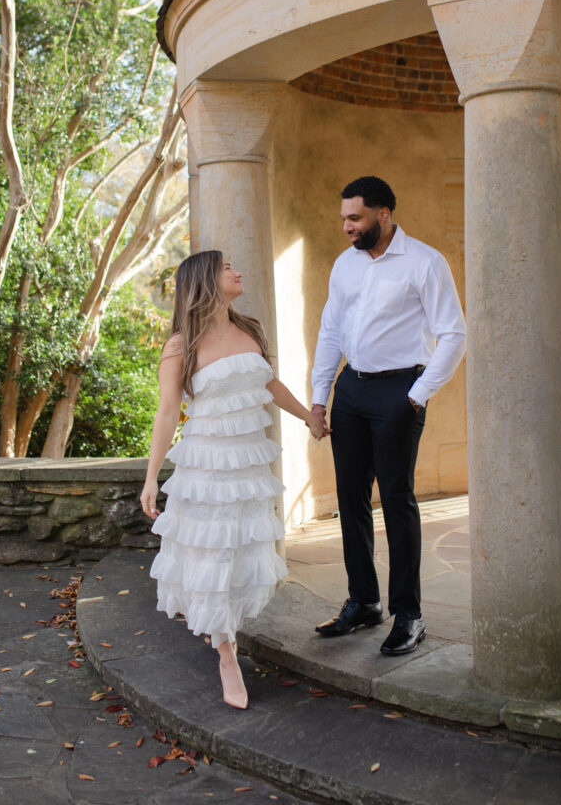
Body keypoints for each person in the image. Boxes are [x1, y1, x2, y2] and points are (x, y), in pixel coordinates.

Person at [140, 250, 324, 709]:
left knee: (241, 553)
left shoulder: (250, 331)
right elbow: (166, 414)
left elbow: (268, 383)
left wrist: (308, 418)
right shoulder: (181, 345)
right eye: (227, 268)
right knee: (216, 557)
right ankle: (227, 655)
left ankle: (226, 636)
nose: (238, 272)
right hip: (207, 469)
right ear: (205, 280)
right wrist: (150, 479)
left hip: (248, 467)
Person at [311, 176, 465, 655]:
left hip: (400, 390)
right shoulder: (344, 264)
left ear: (383, 213)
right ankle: (364, 602)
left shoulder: (424, 262)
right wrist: (320, 397)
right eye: (343, 218)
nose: (347, 227)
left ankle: (409, 615)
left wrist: (416, 396)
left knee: (397, 500)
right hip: (351, 390)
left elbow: (454, 335)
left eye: (354, 218)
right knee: (351, 499)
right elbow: (330, 330)